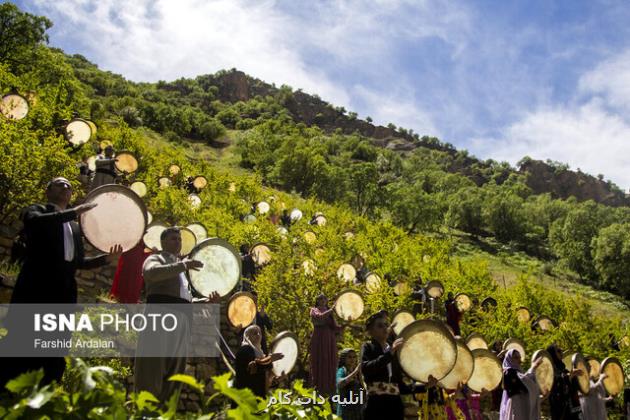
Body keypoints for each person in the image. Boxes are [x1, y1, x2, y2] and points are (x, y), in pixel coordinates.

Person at [0, 177, 122, 387]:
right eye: (60, 184)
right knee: (23, 341)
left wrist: (105, 259)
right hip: (37, 288)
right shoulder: (38, 210)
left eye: (69, 186)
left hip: (63, 293)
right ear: (48, 191)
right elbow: (35, 222)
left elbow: (78, 262)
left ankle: (47, 396)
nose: (66, 187)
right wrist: (75, 212)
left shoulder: (74, 228)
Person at [134, 227, 218, 402]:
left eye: (179, 239)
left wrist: (205, 302)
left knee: (174, 375)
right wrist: (183, 265)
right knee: (152, 370)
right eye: (173, 239)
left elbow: (184, 299)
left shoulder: (182, 271)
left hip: (181, 323)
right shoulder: (156, 258)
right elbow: (150, 273)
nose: (178, 242)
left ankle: (165, 413)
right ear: (163, 242)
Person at [361, 310, 417, 420]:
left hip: (395, 406)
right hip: (376, 405)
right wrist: (390, 353)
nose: (385, 328)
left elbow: (400, 385)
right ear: (370, 331)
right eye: (380, 326)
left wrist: (424, 386)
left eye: (386, 325)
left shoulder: (393, 350)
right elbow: (366, 369)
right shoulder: (368, 347)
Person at [234, 325, 283, 398]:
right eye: (254, 333)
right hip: (246, 399)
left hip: (257, 398)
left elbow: (261, 382)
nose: (258, 335)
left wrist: (273, 376)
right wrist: (269, 359)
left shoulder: (260, 354)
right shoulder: (245, 350)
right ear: (248, 336)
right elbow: (252, 368)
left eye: (259, 333)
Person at [310, 293, 343, 396]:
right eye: (320, 298)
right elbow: (319, 318)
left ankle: (330, 389)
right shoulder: (314, 310)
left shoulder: (330, 313)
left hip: (329, 339)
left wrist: (346, 323)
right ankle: (319, 388)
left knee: (330, 360)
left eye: (325, 298)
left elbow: (335, 328)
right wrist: (331, 310)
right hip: (319, 338)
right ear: (317, 300)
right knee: (321, 360)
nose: (323, 300)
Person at [500, 349, 542, 420]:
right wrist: (532, 368)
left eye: (519, 357)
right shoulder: (508, 372)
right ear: (509, 359)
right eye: (516, 357)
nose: (520, 360)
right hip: (516, 406)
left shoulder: (518, 372)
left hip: (522, 404)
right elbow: (521, 383)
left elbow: (524, 380)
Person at [547, 344, 584, 420]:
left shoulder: (564, 369)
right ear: (552, 354)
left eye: (561, 350)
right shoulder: (549, 371)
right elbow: (556, 385)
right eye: (558, 351)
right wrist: (569, 376)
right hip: (562, 412)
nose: (561, 352)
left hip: (574, 410)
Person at [335, 348, 363, 420]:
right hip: (345, 410)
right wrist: (355, 372)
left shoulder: (358, 373)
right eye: (349, 357)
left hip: (356, 410)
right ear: (344, 359)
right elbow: (339, 383)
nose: (352, 359)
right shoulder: (341, 371)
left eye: (354, 357)